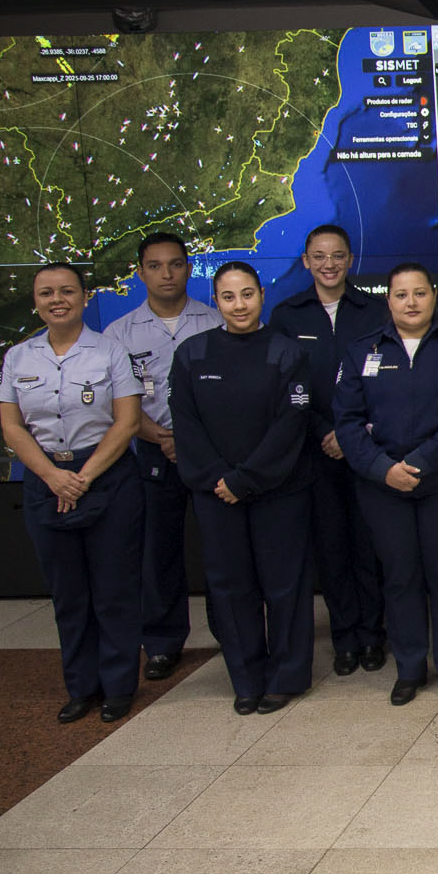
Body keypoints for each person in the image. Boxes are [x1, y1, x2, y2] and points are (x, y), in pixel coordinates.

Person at [334, 263, 438, 706]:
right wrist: (382, 468)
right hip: (383, 485)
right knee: (400, 578)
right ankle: (409, 668)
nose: (411, 302)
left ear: (434, 296)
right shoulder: (361, 351)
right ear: (389, 300)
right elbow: (347, 421)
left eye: (419, 293)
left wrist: (419, 462)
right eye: (401, 295)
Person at [0, 264, 145, 724]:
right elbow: (12, 427)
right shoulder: (18, 358)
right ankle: (82, 687)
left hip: (107, 477)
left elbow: (127, 422)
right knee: (68, 593)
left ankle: (118, 686)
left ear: (84, 297)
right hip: (46, 480)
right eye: (47, 293)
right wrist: (53, 476)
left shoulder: (110, 351)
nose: (56, 300)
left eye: (66, 291)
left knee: (114, 590)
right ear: (36, 301)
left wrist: (81, 478)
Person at [170, 262, 315, 714]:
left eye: (247, 294)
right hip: (216, 494)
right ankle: (247, 679)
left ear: (262, 296)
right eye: (229, 296)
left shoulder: (287, 352)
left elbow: (290, 424)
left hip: (279, 490)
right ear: (215, 301)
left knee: (285, 586)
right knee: (231, 588)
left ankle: (285, 677)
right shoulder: (192, 354)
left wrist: (245, 479)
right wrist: (222, 478)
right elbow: (186, 424)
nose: (239, 305)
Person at [267, 224, 386, 676]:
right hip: (316, 451)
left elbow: (386, 382)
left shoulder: (375, 311)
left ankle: (373, 635)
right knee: (331, 548)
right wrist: (325, 432)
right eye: (319, 256)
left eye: (337, 256)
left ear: (350, 260)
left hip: (368, 448)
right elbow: (286, 388)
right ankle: (346, 638)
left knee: (369, 545)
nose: (328, 264)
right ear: (306, 261)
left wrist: (352, 433)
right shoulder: (287, 315)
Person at [104, 232, 219, 680]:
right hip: (153, 453)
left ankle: (233, 633)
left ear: (188, 268)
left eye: (175, 264)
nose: (166, 274)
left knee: (222, 549)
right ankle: (162, 643)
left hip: (211, 454)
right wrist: (163, 438)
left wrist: (190, 442)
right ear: (140, 273)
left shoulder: (214, 321)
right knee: (159, 551)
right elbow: (117, 404)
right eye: (155, 266)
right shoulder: (119, 333)